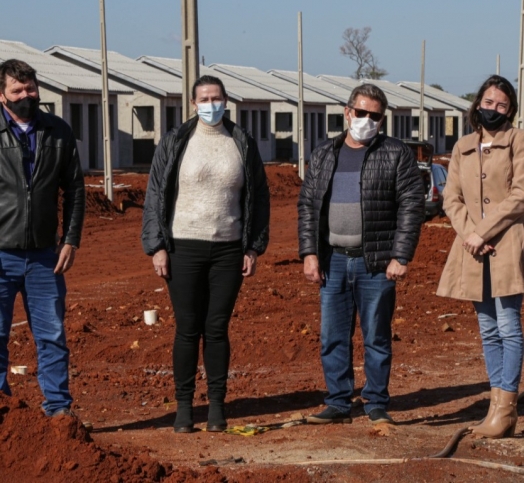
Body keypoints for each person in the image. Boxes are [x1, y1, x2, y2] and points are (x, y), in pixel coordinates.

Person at [142, 75, 270, 433]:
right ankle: (184, 407)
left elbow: (259, 196)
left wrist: (253, 246)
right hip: (183, 248)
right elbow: (155, 195)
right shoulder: (176, 141)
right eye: (203, 98)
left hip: (229, 249)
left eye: (216, 97)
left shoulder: (241, 141)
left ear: (226, 100)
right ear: (193, 104)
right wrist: (157, 247)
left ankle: (216, 406)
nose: (210, 104)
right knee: (187, 328)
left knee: (216, 328)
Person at [298, 83, 425, 425]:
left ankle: (376, 401)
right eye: (362, 112)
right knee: (333, 336)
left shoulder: (396, 153)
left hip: (376, 262)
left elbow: (412, 206)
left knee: (377, 336)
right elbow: (308, 206)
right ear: (348, 112)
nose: (368, 120)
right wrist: (309, 253)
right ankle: (338, 401)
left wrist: (401, 256)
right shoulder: (324, 153)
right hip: (333, 260)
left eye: (376, 115)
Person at [437, 75, 524, 438]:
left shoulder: (518, 141)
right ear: (477, 104)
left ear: (511, 110)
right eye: (488, 102)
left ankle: (506, 410)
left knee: (509, 327)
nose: (493, 109)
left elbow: (520, 195)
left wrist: (483, 232)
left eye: (502, 105)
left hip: (506, 245)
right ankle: (494, 407)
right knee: (488, 330)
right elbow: (450, 198)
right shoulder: (463, 146)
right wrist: (469, 234)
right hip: (472, 250)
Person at [0, 59, 85, 416]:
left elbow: (76, 190)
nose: (25, 96)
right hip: (1, 254)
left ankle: (58, 411)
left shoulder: (58, 131)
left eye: (30, 88)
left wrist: (71, 239)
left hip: (44, 257)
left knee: (51, 336)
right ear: (2, 94)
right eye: (17, 90)